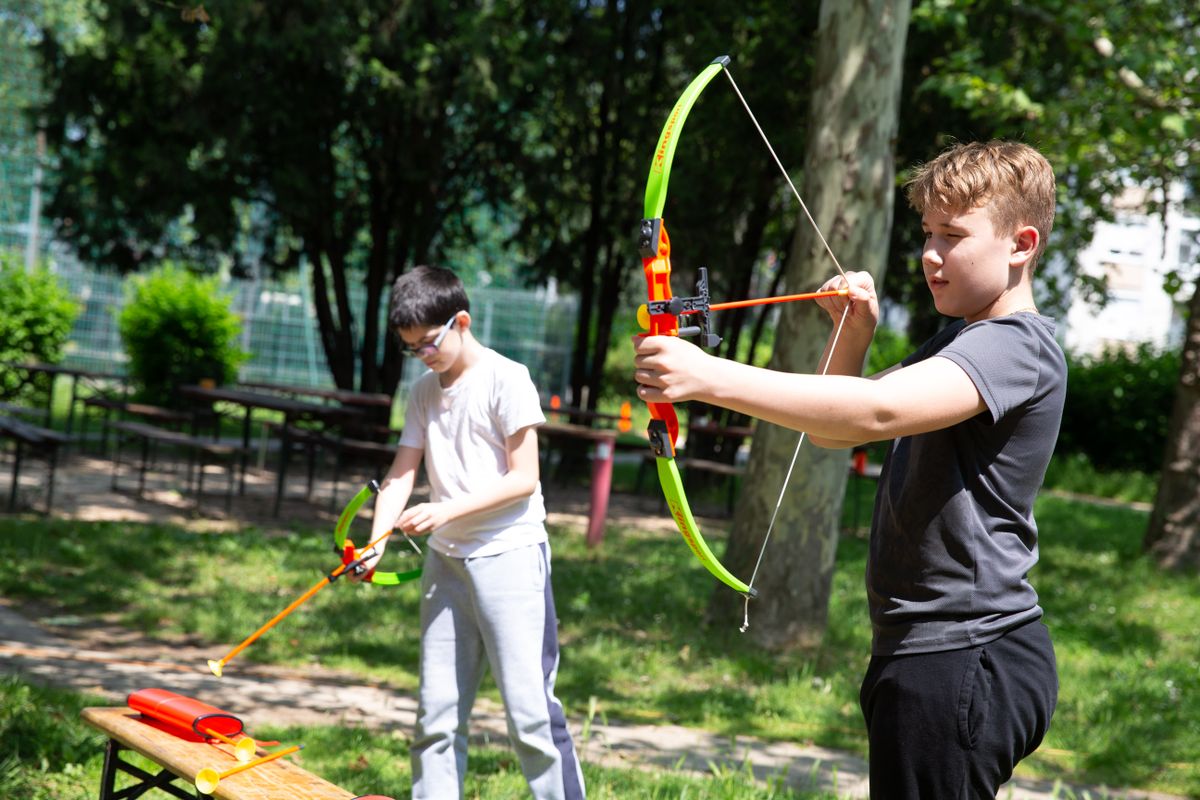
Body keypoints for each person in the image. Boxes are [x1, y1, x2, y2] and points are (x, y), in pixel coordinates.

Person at [634, 140, 1063, 798]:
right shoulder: (960, 340)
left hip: (968, 653)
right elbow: (834, 429)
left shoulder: (1017, 346)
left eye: (953, 235)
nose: (930, 253)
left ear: (1021, 244)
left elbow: (879, 412)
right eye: (927, 233)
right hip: (927, 649)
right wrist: (853, 337)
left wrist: (707, 377)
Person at [361, 265, 586, 800]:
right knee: (435, 717)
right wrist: (374, 544)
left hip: (509, 556)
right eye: (411, 348)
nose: (424, 355)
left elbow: (524, 478)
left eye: (429, 342)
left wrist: (445, 510)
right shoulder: (422, 392)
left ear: (461, 321)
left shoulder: (507, 378)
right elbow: (400, 474)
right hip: (446, 564)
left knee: (531, 717)